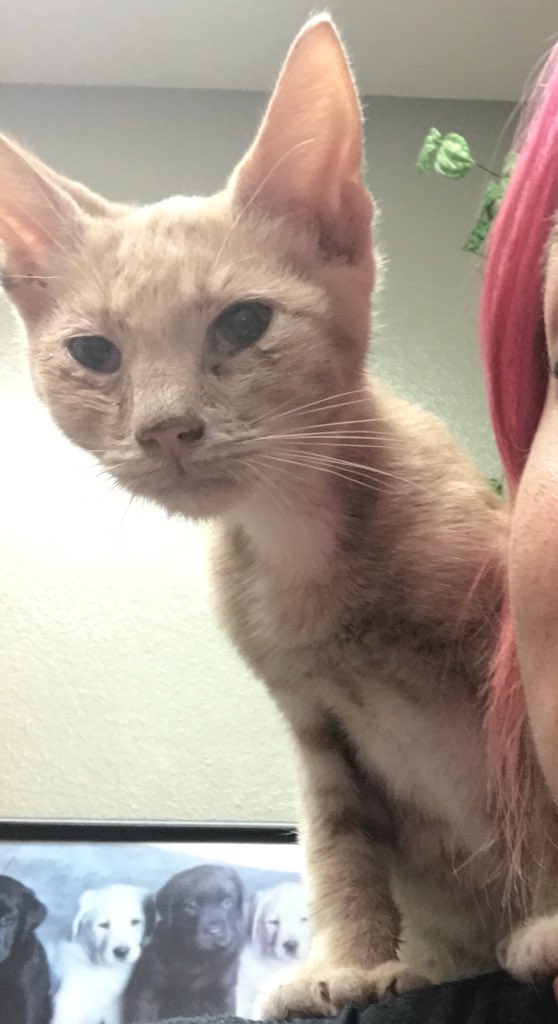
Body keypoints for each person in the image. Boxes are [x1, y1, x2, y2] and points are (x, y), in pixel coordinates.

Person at [153, 40, 558, 1024]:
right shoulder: (240, 584)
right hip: (452, 961)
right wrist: (351, 947)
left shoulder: (428, 497)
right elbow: (329, 770)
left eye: (238, 326)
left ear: (335, 239)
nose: (164, 418)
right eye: (92, 352)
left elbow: (522, 726)